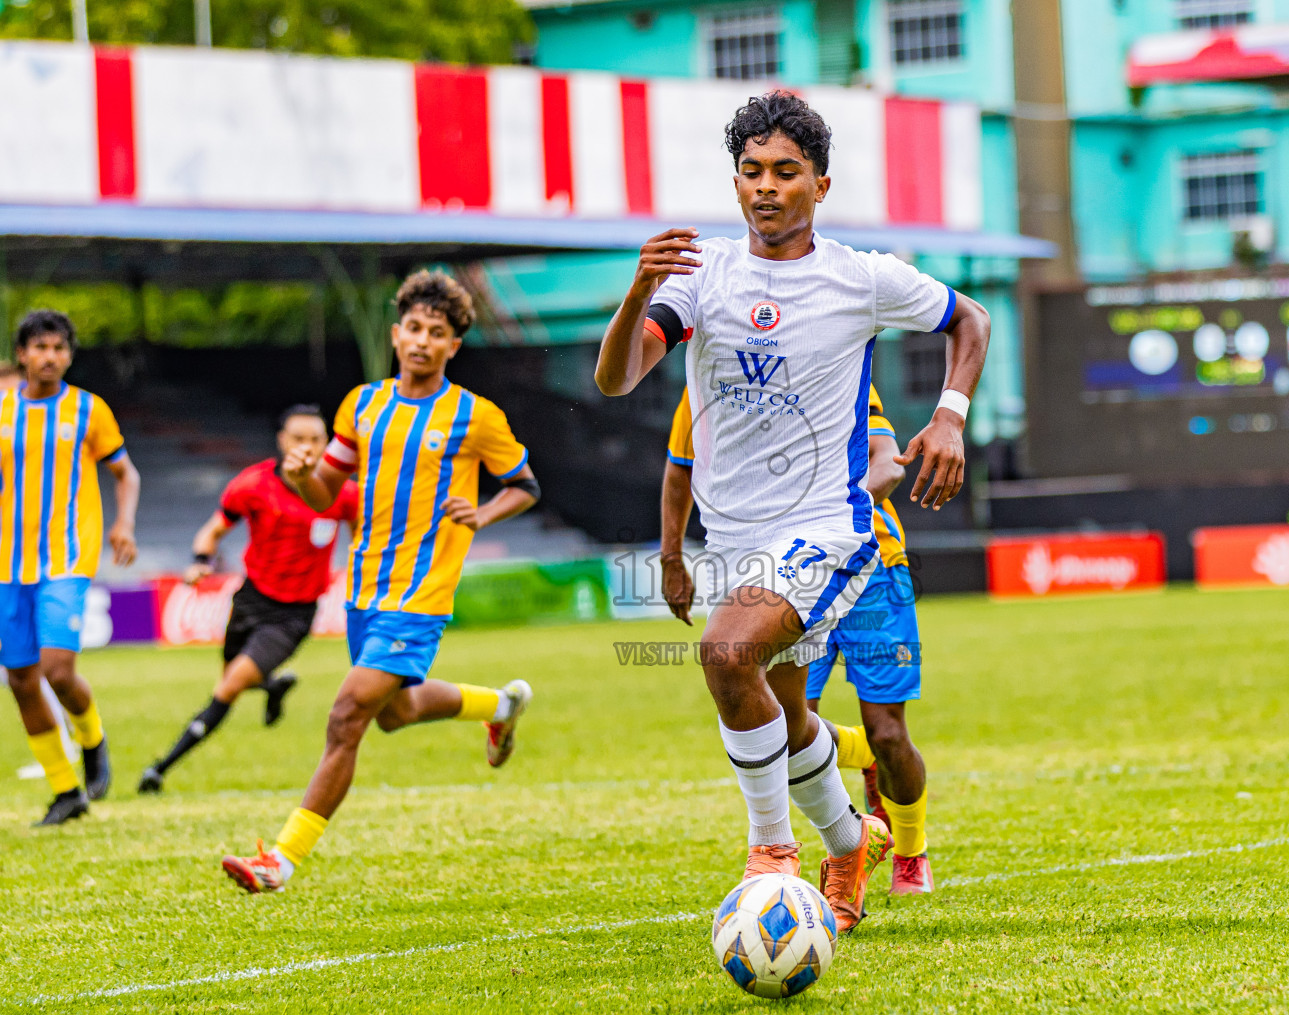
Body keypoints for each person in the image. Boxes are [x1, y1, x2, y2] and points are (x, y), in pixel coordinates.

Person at [595, 90, 988, 933]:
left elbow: (971, 322)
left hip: (826, 527)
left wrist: (949, 415)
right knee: (790, 712)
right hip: (732, 538)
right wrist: (638, 292)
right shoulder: (702, 280)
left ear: (821, 184)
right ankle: (850, 841)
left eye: (785, 172)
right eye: (750, 172)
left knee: (725, 651)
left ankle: (772, 851)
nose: (765, 187)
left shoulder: (860, 277)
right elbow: (617, 378)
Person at [220, 270, 540, 892]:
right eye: (415, 329)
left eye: (438, 333)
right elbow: (324, 492)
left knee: (347, 715)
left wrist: (485, 511)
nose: (423, 341)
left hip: (421, 594)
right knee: (396, 712)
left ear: (454, 346)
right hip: (365, 590)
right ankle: (500, 706)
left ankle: (279, 861)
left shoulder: (475, 417)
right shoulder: (361, 404)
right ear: (396, 335)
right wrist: (300, 474)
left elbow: (525, 486)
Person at [661, 384, 936, 896]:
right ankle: (846, 840)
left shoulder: (829, 351)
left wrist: (819, 515)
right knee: (785, 727)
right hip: (778, 574)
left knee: (889, 731)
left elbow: (889, 463)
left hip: (870, 566)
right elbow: (679, 468)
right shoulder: (704, 381)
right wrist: (671, 556)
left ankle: (910, 853)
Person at [138, 405, 360, 793]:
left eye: (316, 439)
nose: (307, 447)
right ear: (281, 441)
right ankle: (272, 687)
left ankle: (160, 768)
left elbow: (363, 540)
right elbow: (212, 531)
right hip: (251, 600)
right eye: (299, 439)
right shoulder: (252, 485)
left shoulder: (344, 494)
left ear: (328, 444)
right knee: (232, 677)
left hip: (293, 615)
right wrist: (201, 562)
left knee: (228, 687)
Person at [1, 310, 140, 826]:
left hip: (66, 557)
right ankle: (65, 792)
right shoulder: (1, 410)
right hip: (6, 564)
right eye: (40, 347)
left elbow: (126, 473)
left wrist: (123, 524)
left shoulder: (88, 410)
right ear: (22, 354)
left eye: (59, 348)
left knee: (57, 670)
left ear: (69, 356)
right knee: (20, 679)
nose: (50, 357)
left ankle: (91, 736)